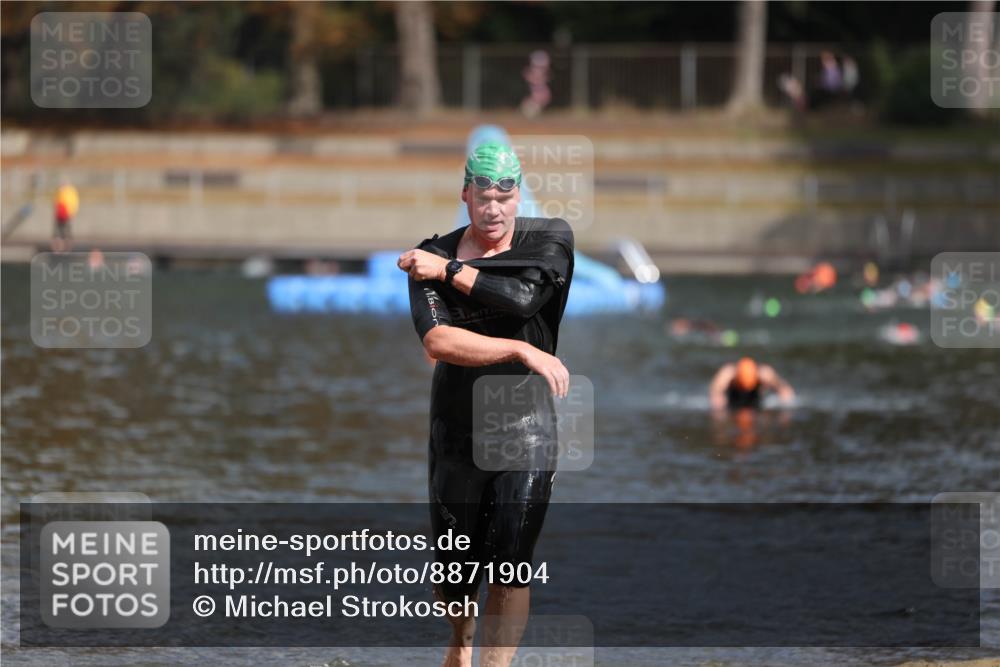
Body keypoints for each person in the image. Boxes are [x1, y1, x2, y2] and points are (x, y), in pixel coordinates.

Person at [397, 141, 575, 667]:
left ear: (519, 195)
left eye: (505, 194)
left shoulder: (551, 240)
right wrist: (519, 347)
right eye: (483, 195)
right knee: (455, 578)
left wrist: (448, 273)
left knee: (512, 562)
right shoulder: (431, 249)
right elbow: (438, 343)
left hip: (526, 428)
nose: (494, 208)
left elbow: (522, 299)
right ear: (465, 196)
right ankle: (459, 644)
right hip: (456, 432)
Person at [709, 357, 795, 410]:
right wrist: (718, 403)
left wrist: (785, 402)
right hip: (733, 397)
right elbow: (715, 391)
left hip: (755, 397)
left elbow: (784, 389)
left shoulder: (765, 374)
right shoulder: (727, 373)